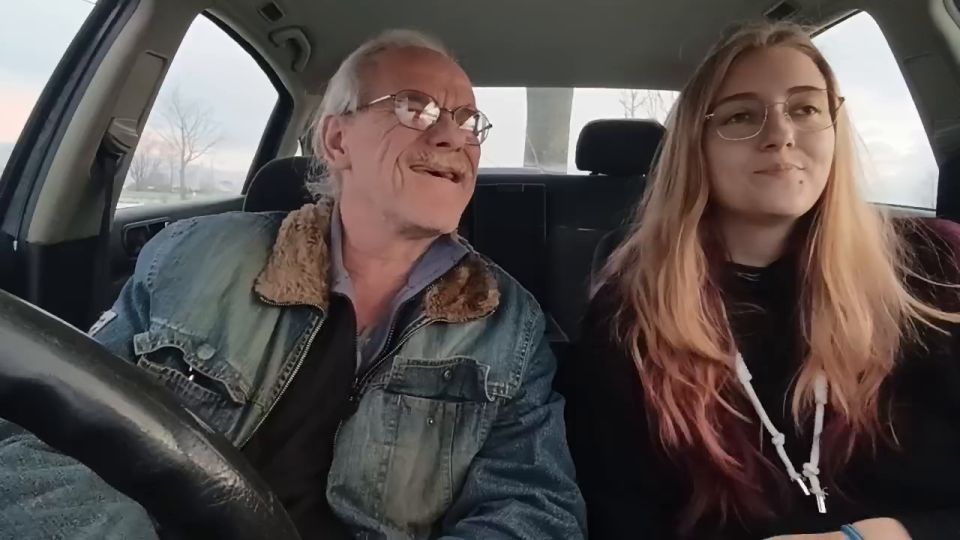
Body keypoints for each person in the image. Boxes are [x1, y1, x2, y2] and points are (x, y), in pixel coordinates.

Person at [0, 29, 585, 539]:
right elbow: (49, 437)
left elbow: (532, 511)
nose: (454, 137)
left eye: (468, 121)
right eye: (417, 108)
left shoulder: (508, 324)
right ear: (337, 141)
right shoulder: (194, 257)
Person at [566, 20, 960, 540]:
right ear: (696, 145)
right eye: (741, 116)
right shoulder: (628, 320)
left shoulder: (936, 269)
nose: (780, 135)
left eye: (805, 108)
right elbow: (621, 517)